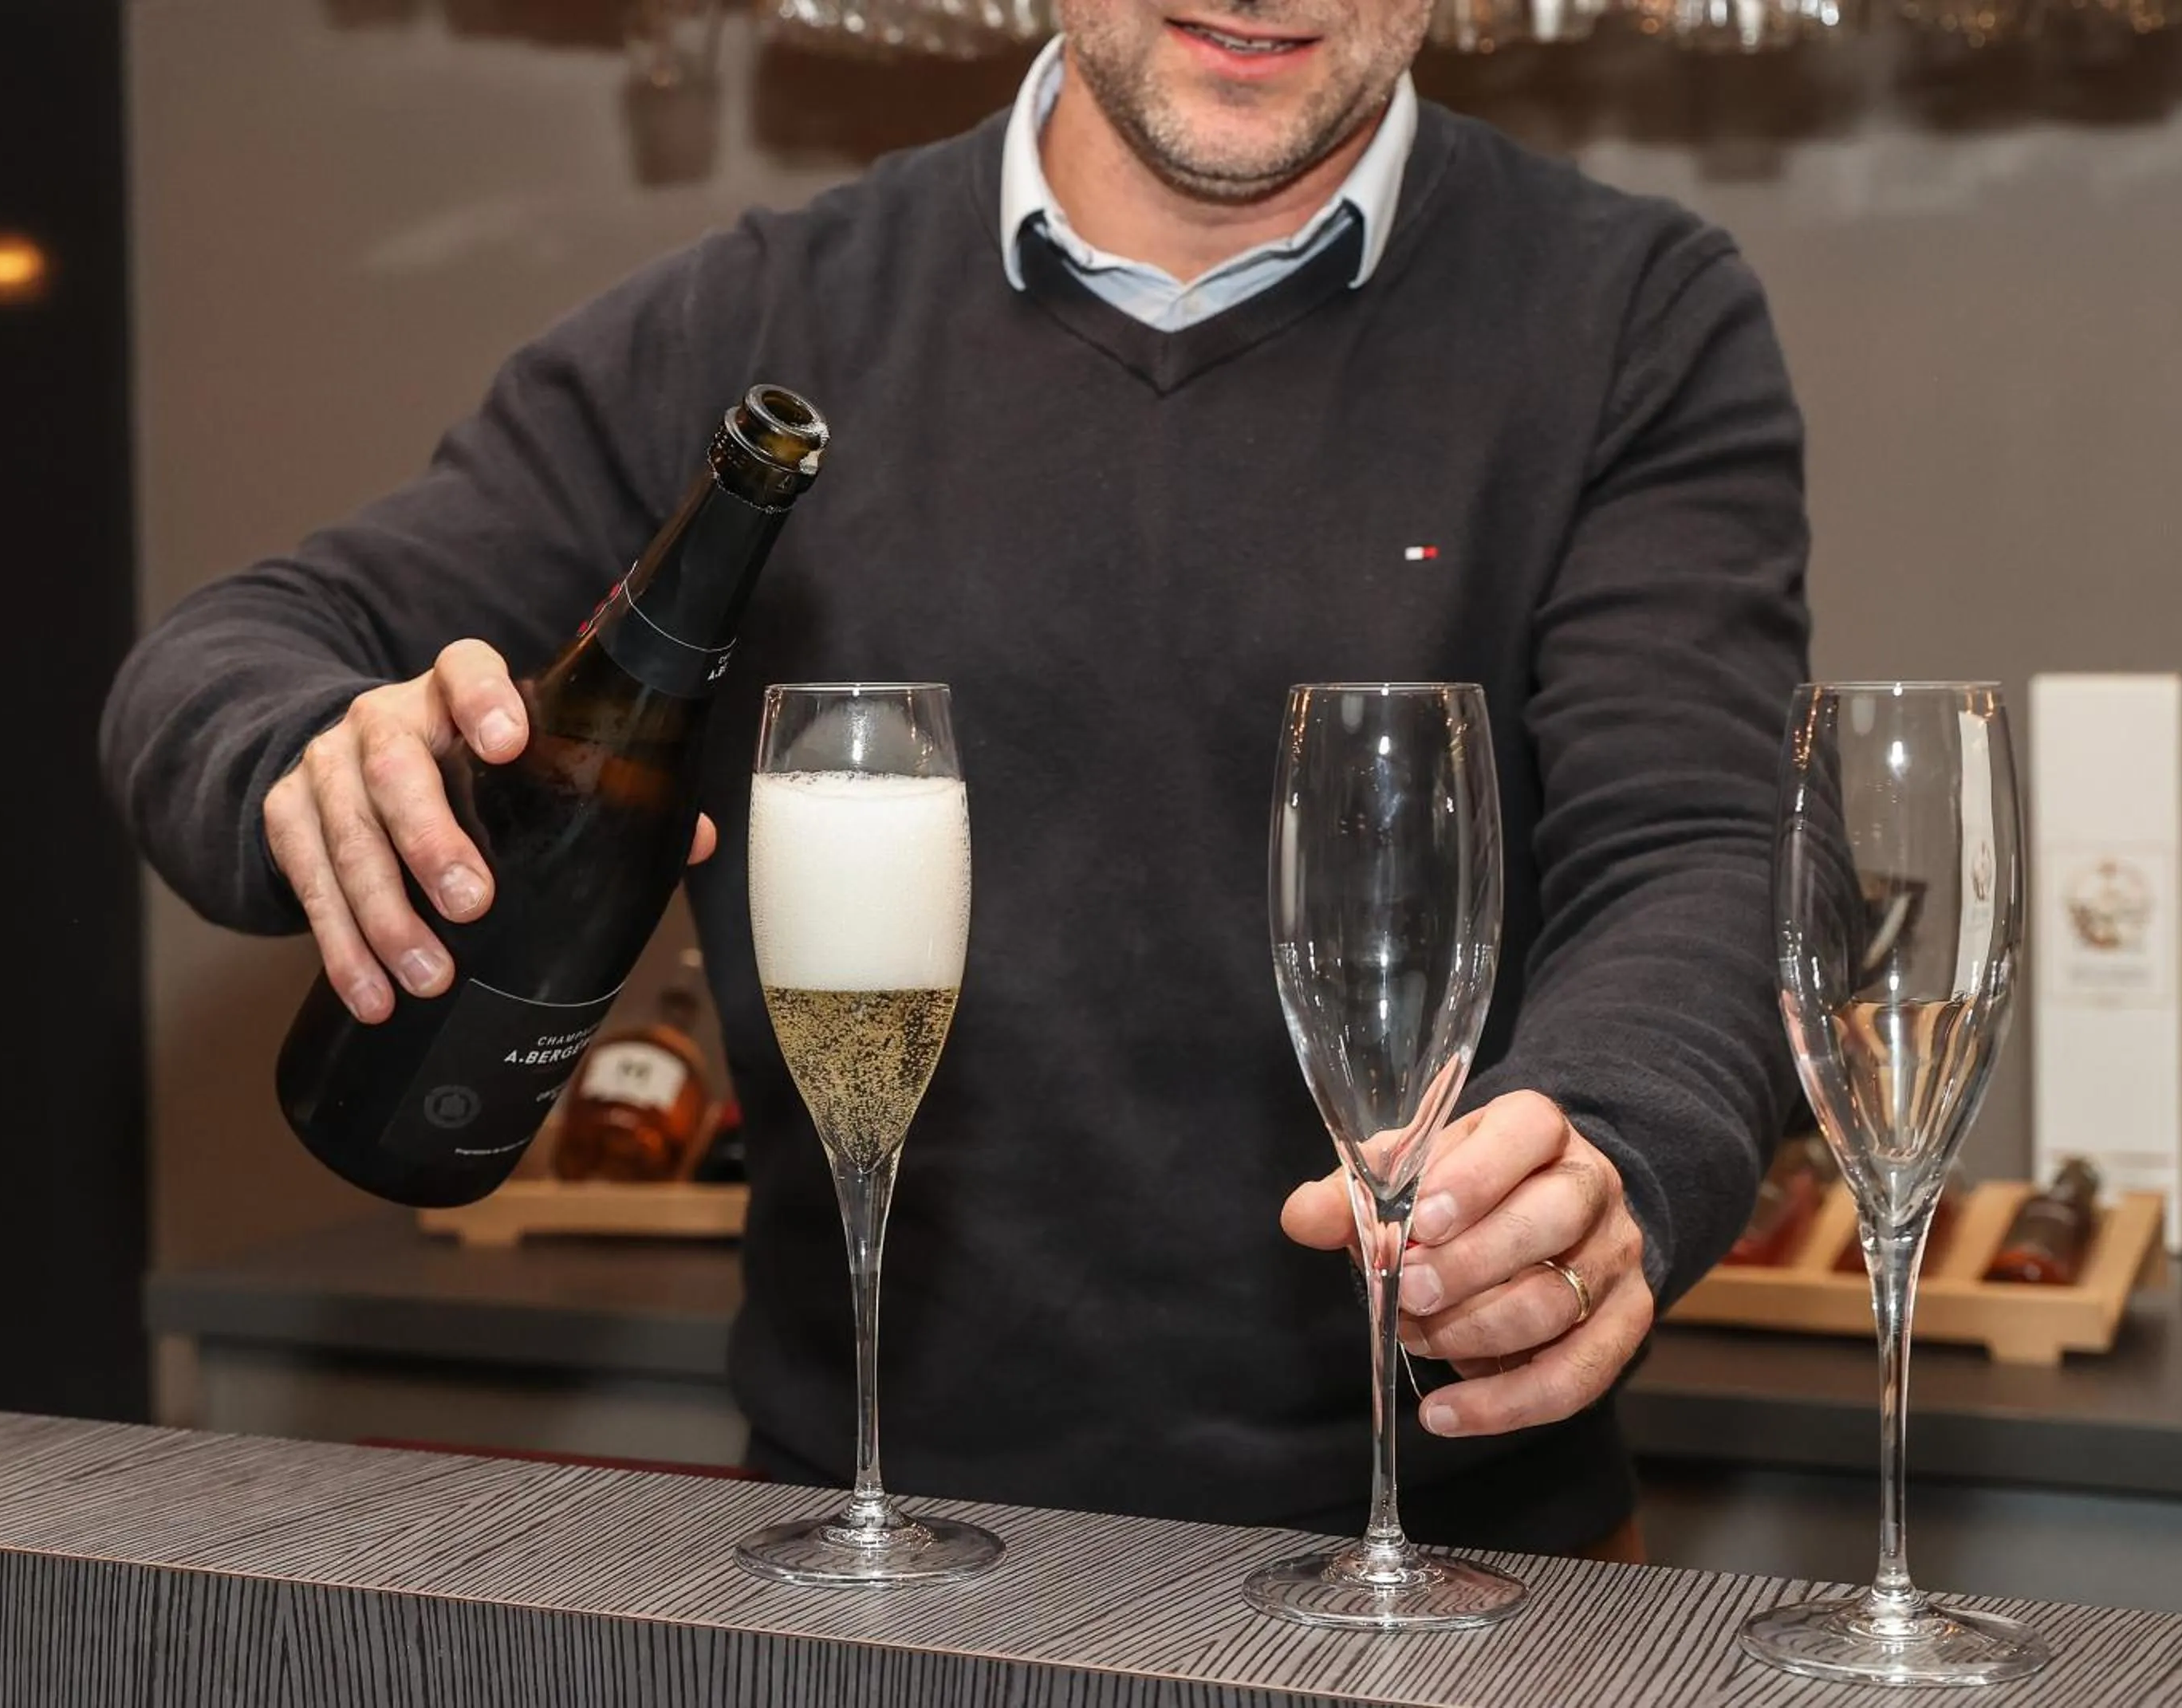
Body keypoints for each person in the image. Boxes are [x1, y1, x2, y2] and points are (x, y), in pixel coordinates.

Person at [101, 0, 1809, 1563]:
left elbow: (1698, 840)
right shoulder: (760, 321)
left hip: (1452, 1560)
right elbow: (240, 646)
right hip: (873, 1548)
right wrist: (312, 768)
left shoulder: (1630, 317)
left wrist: (1622, 1151)